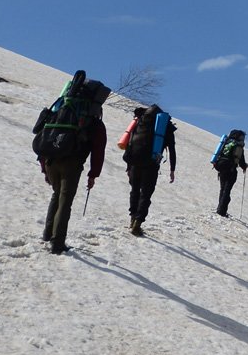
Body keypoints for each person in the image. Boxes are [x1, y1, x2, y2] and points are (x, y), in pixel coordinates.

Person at [32, 74, 109, 254]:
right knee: (65, 201)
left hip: (50, 159)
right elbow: (98, 151)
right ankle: (57, 243)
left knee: (56, 194)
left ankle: (47, 234)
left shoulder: (59, 111)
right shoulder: (95, 123)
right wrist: (93, 174)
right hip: (72, 163)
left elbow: (45, 136)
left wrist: (44, 166)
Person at [121, 103, 177, 236]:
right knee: (146, 194)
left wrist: (129, 165)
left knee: (134, 190)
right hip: (151, 164)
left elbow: (130, 142)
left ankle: (132, 218)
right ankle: (138, 223)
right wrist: (172, 170)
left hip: (135, 161)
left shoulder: (140, 121)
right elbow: (172, 150)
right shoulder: (165, 126)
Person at [212, 129, 248, 216]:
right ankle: (222, 211)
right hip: (231, 169)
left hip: (221, 166)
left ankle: (220, 208)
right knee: (227, 190)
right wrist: (245, 166)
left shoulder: (226, 143)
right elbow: (241, 161)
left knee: (222, 189)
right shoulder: (238, 146)